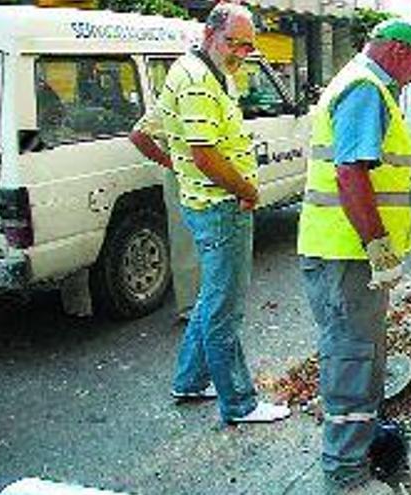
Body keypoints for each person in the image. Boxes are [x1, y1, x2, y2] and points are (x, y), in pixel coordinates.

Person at [296, 19, 411, 495]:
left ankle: (362, 447)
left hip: (344, 254)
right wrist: (377, 245)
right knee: (352, 359)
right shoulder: (366, 89)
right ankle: (346, 474)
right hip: (347, 255)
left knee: (362, 355)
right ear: (398, 51)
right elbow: (350, 174)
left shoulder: (362, 84)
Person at [151, 3, 289, 424]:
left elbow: (146, 132)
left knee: (213, 298)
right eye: (235, 43)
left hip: (206, 203)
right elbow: (205, 153)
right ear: (210, 33)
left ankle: (190, 380)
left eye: (248, 46)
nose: (241, 53)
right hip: (220, 206)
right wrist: (247, 190)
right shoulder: (196, 79)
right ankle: (239, 403)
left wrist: (179, 166)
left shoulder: (203, 71)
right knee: (224, 307)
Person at [129, 105, 200, 322]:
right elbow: (138, 135)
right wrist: (171, 163)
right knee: (186, 241)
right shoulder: (174, 99)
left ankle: (207, 301)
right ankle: (190, 305)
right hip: (184, 179)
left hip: (205, 178)